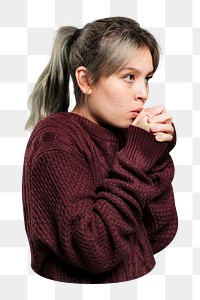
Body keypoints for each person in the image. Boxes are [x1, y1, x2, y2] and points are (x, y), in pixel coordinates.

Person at [22, 16, 178, 284]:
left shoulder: (125, 134)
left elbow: (159, 232)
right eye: (129, 77)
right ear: (86, 80)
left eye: (147, 78)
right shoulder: (55, 141)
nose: (143, 93)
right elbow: (94, 250)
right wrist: (137, 159)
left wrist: (155, 153)